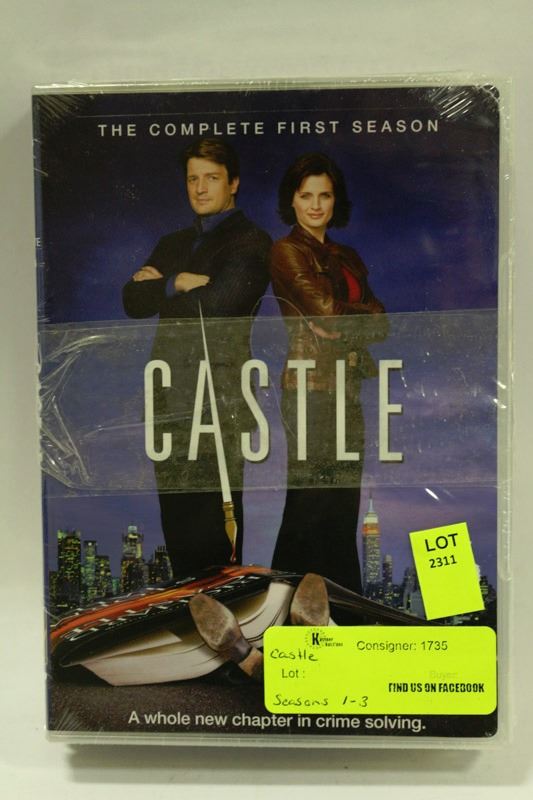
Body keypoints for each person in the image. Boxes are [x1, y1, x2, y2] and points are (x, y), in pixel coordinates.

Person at [122, 138, 271, 577]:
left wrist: (161, 288)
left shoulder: (251, 240)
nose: (200, 188)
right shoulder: (173, 243)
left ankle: (223, 617)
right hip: (169, 399)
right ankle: (193, 615)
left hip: (218, 401)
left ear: (234, 183)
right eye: (192, 179)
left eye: (212, 178)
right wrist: (179, 282)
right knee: (179, 529)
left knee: (216, 533)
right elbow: (131, 300)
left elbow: (219, 305)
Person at [269, 152, 386, 593]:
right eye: (306, 196)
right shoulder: (286, 251)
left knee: (341, 509)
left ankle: (340, 610)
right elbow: (325, 313)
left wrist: (343, 318)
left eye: (325, 195)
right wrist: (349, 317)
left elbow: (382, 321)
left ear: (336, 200)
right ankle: (281, 609)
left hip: (348, 388)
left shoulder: (347, 256)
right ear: (293, 201)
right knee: (309, 506)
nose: (316, 205)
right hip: (310, 388)